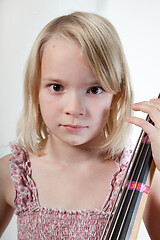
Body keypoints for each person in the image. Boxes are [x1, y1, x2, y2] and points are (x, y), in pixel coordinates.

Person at [0, 11, 160, 239]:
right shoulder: (11, 174)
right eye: (56, 87)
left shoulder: (142, 177)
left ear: (116, 96)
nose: (74, 108)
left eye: (94, 90)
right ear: (35, 89)